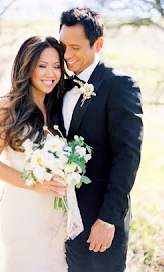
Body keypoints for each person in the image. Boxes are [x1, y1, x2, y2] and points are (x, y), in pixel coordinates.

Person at [59, 7, 143, 272]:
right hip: (64, 218)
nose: (67, 54)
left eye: (75, 47)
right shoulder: (57, 85)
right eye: (63, 45)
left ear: (98, 45)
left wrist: (107, 220)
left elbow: (127, 156)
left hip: (101, 221)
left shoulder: (120, 85)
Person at [0, 35, 69, 271]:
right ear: (27, 67)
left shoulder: (58, 106)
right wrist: (35, 185)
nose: (50, 73)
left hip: (55, 213)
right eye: (42, 66)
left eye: (56, 66)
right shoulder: (7, 109)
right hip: (22, 208)